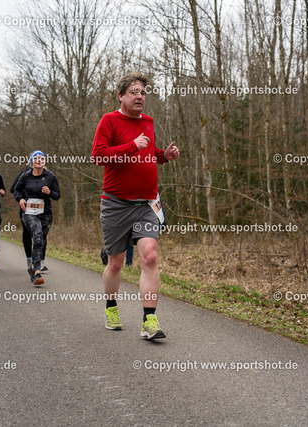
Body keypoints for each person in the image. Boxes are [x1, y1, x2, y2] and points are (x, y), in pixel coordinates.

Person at [91, 71, 180, 340]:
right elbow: (98, 156)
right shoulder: (109, 120)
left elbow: (148, 153)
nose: (140, 96)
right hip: (116, 204)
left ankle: (149, 320)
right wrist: (131, 146)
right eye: (134, 92)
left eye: (143, 92)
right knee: (116, 262)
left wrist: (164, 156)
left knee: (149, 256)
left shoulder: (148, 122)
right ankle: (111, 309)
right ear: (121, 96)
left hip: (146, 204)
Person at [13, 151, 60, 285]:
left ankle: (33, 267)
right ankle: (37, 273)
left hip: (45, 213)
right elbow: (16, 189)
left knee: (41, 240)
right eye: (37, 158)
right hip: (29, 212)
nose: (39, 160)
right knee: (37, 235)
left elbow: (57, 195)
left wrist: (49, 192)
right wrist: (20, 199)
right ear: (32, 161)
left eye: (42, 158)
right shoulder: (25, 176)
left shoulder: (50, 176)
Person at [11, 165, 48, 272]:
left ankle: (41, 261)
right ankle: (29, 259)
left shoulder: (47, 175)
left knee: (42, 234)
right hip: (26, 209)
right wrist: (22, 197)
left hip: (42, 209)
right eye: (34, 159)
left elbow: (55, 191)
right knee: (27, 234)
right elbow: (13, 189)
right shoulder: (24, 174)